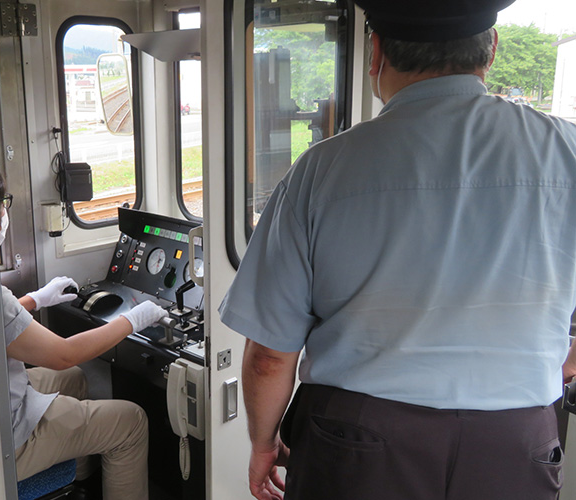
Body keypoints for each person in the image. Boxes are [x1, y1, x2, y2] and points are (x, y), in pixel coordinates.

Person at [219, 1, 576, 499]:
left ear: (376, 52)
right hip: (515, 445)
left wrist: (262, 442)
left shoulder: (320, 170)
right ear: (490, 51)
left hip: (356, 446)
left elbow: (270, 358)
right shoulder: (568, 152)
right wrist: (560, 361)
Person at [0, 166, 167, 500]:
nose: (4, 213)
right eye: (3, 204)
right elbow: (62, 354)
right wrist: (134, 319)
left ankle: (75, 487)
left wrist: (35, 299)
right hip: (6, 439)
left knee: (75, 378)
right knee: (130, 421)